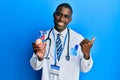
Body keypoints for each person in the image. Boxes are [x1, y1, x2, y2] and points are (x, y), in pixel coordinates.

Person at [30, 3, 95, 80]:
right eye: (59, 14)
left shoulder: (78, 39)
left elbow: (85, 69)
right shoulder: (43, 38)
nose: (61, 19)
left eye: (66, 16)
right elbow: (35, 67)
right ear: (54, 15)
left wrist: (86, 55)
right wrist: (40, 58)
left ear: (70, 20)